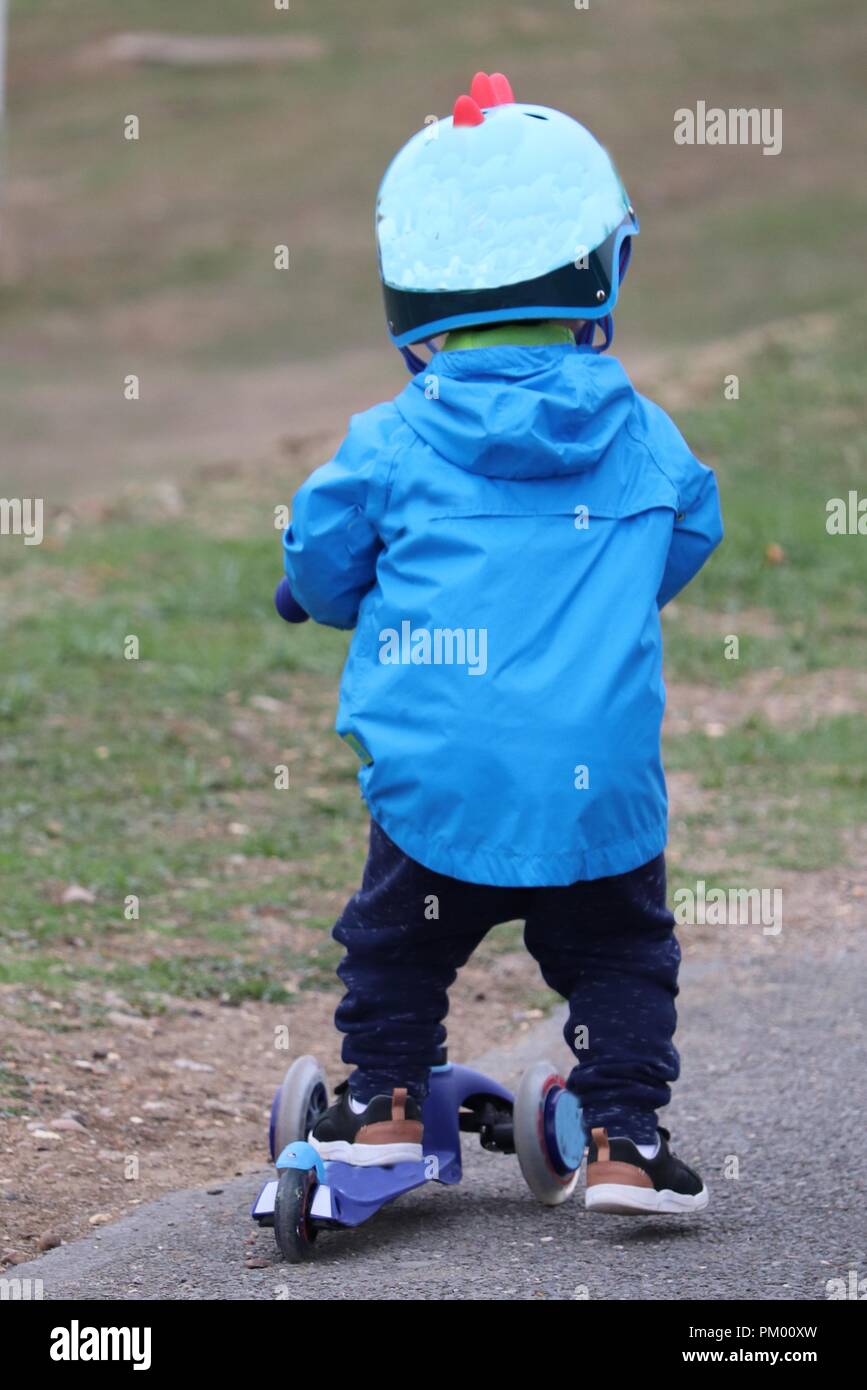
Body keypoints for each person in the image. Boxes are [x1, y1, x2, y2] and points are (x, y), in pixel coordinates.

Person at [279, 71, 722, 1213]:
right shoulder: (645, 437)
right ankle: (624, 1137)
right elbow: (690, 532)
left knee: (398, 942)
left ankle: (379, 1104)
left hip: (443, 783)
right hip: (597, 791)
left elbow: (324, 563)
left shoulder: (389, 442)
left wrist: (308, 595)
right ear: (601, 270)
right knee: (622, 952)